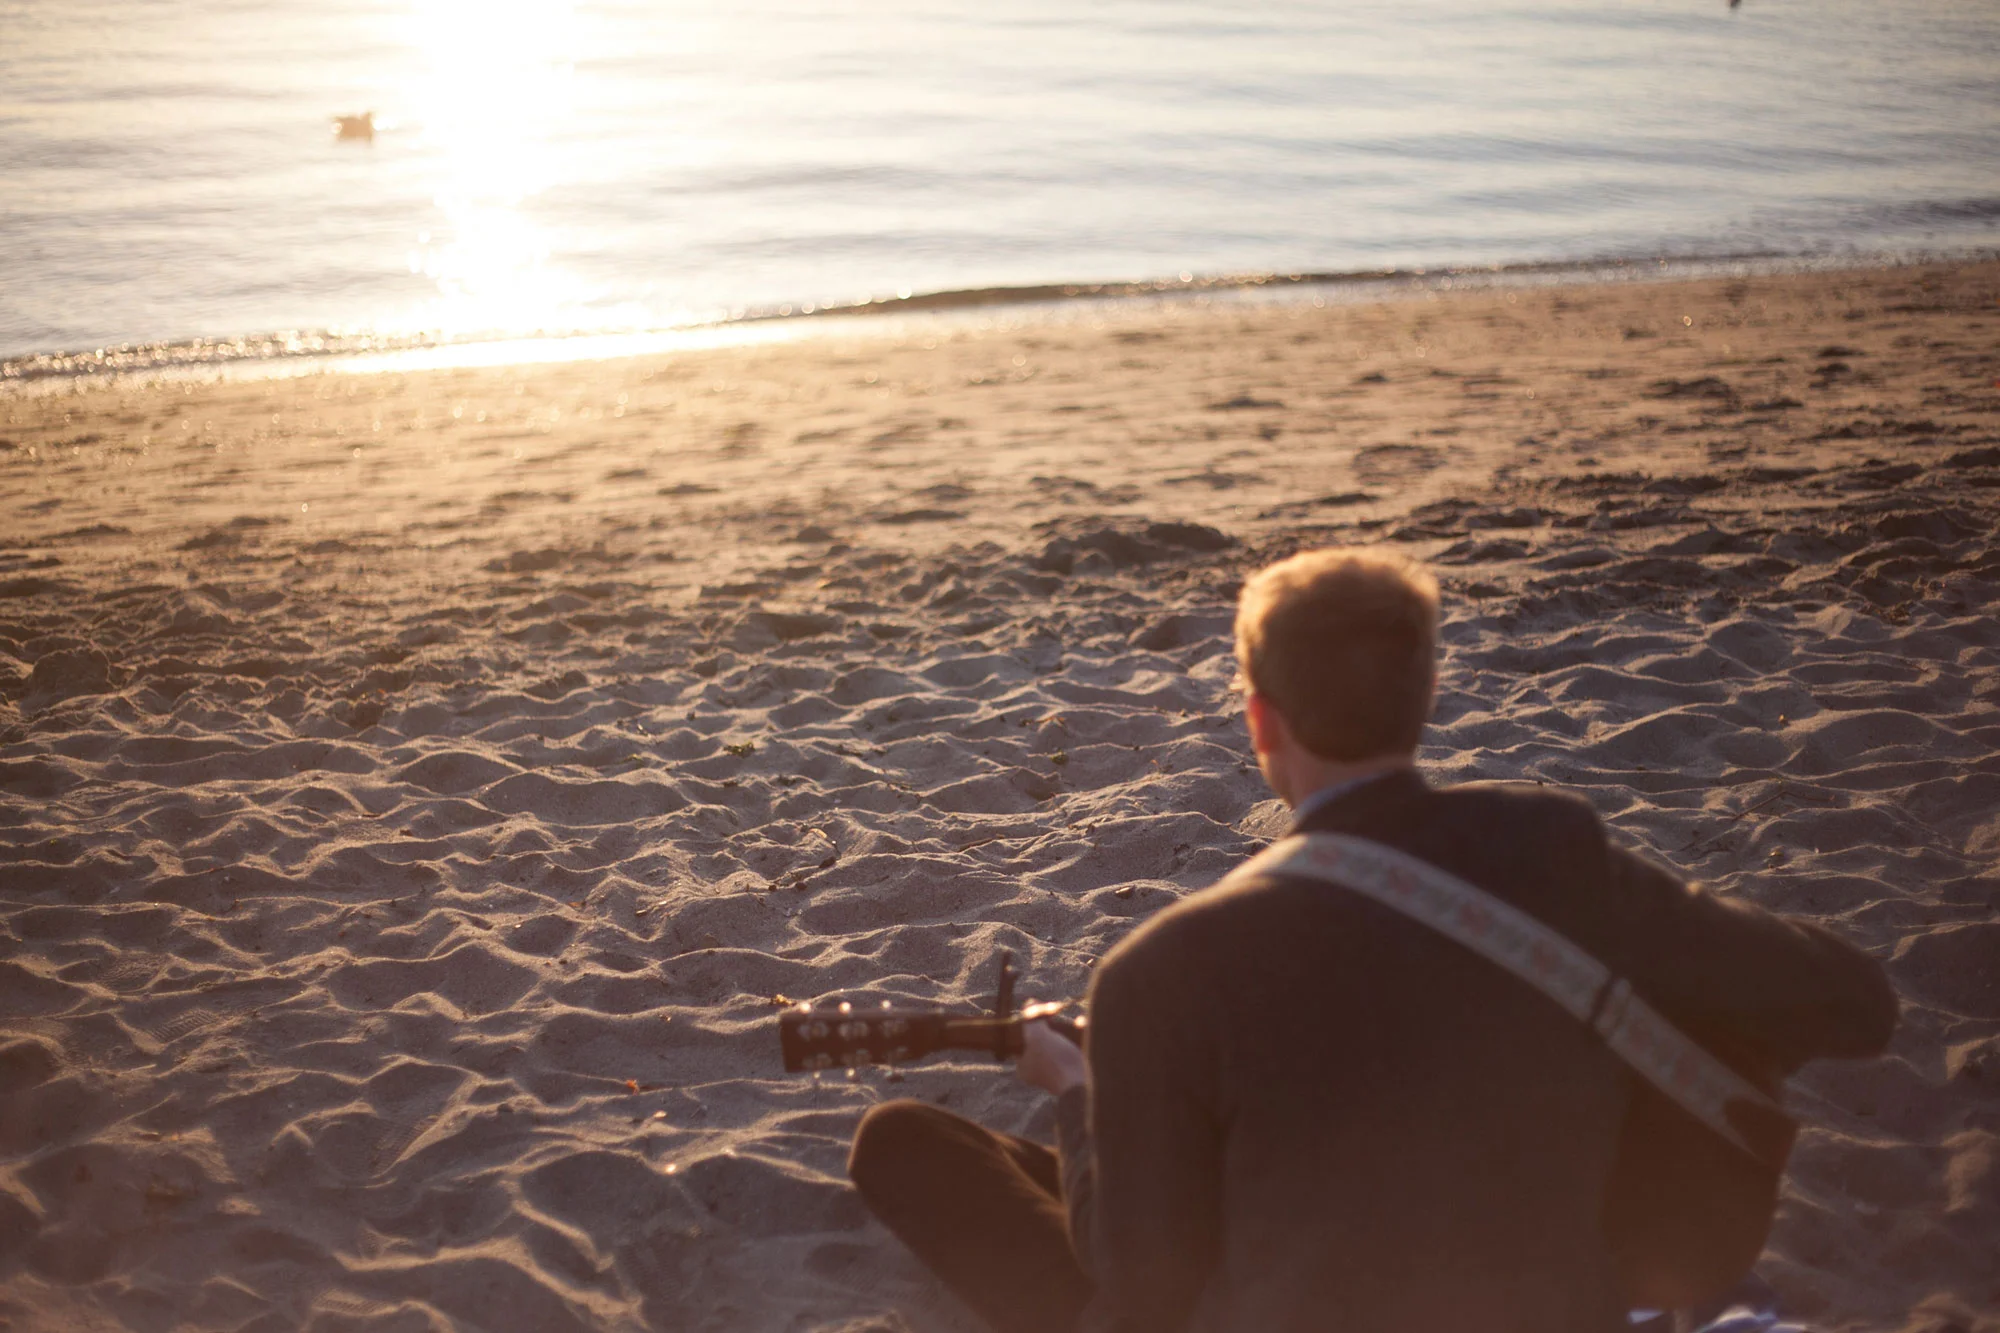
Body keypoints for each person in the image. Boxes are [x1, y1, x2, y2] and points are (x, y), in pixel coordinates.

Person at [846, 547, 1897, 1333]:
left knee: (907, 1144)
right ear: (1424, 696)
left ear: (1260, 722)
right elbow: (1853, 1004)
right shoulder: (1555, 852)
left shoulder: (1159, 968)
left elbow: (1145, 1283)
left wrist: (1080, 1093)